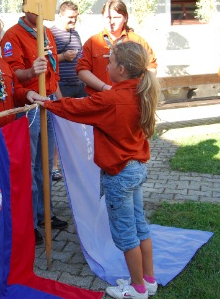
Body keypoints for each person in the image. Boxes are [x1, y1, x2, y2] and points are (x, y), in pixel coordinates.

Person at [38, 41, 159, 299]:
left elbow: (77, 108)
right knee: (140, 226)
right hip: (136, 169)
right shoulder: (142, 92)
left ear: (122, 69)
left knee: (126, 234)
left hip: (120, 175)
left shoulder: (112, 99)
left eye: (110, 62)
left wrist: (48, 104)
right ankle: (149, 279)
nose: (106, 67)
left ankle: (138, 288)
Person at [1, 11, 68, 244]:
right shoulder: (13, 35)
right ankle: (28, 223)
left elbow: (53, 75)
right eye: (35, 6)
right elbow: (12, 75)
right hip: (29, 104)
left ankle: (44, 214)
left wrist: (59, 101)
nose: (40, 12)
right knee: (28, 166)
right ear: (25, 6)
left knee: (46, 163)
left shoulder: (47, 33)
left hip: (48, 101)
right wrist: (31, 71)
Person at [77, 0, 158, 96]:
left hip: (129, 98)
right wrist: (104, 87)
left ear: (125, 18)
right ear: (102, 17)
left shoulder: (137, 41)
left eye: (116, 17)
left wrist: (134, 88)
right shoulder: (92, 42)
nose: (111, 22)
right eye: (108, 17)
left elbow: (151, 68)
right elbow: (82, 71)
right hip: (99, 97)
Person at [50, 1, 86, 99]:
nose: (73, 20)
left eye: (75, 17)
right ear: (60, 16)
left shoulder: (75, 34)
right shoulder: (51, 34)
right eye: (70, 17)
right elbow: (47, 60)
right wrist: (63, 57)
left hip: (79, 85)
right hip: (61, 85)